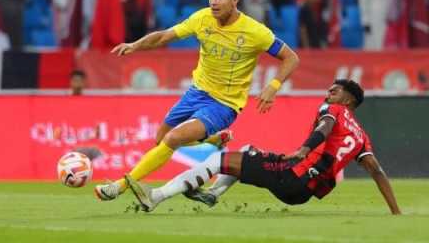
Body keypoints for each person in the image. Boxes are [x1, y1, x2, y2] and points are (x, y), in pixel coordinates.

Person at [94, 0, 300, 201]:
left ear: (235, 0)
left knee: (172, 139)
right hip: (196, 92)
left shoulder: (255, 32)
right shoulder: (202, 18)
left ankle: (120, 186)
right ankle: (213, 141)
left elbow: (290, 57)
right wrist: (135, 45)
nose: (214, 2)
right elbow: (164, 36)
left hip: (224, 103)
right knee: (161, 138)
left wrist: (273, 86)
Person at [125, 79, 402, 216]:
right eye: (330, 89)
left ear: (349, 101)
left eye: (336, 90)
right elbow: (377, 172)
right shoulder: (362, 136)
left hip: (292, 175)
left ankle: (155, 197)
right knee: (247, 150)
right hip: (303, 193)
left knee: (219, 160)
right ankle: (213, 194)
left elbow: (323, 129)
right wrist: (396, 213)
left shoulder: (334, 110)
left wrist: (304, 150)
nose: (330, 92)